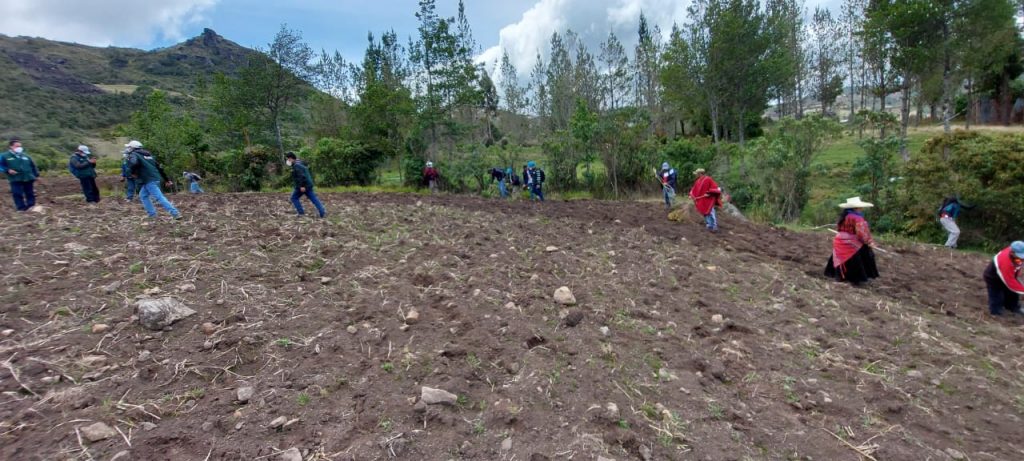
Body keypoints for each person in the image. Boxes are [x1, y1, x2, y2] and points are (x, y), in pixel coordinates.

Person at [824, 197, 880, 285]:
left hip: (840, 241)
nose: (862, 209)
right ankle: (856, 279)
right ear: (855, 208)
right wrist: (869, 242)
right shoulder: (858, 219)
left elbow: (840, 229)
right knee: (863, 256)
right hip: (852, 242)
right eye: (860, 207)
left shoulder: (844, 216)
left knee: (843, 258)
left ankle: (841, 276)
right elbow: (862, 233)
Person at [125, 140, 181, 220]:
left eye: (129, 147)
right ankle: (152, 215)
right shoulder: (149, 156)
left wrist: (132, 172)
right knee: (143, 195)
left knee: (159, 197)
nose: (128, 149)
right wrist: (167, 180)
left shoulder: (134, 154)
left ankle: (175, 213)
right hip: (153, 178)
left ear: (133, 148)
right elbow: (159, 168)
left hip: (148, 180)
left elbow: (134, 163)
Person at [983, 241, 1024, 317]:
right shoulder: (1005, 262)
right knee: (996, 295)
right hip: (993, 277)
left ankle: (1012, 307)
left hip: (1010, 274)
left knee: (1013, 293)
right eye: (1020, 256)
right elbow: (1010, 283)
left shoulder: (1018, 252)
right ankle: (996, 312)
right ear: (1012, 253)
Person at [0, 138, 39, 211]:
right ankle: (21, 208)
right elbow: (1, 165)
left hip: (28, 177)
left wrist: (36, 175)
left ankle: (31, 206)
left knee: (30, 193)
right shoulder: (4, 156)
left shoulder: (26, 156)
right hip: (15, 178)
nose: (19, 148)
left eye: (20, 146)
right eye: (17, 146)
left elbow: (33, 166)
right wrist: (7, 170)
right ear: (11, 146)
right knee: (17, 193)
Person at [286, 152, 326, 218]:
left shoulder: (296, 165)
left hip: (303, 185)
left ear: (291, 158)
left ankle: (301, 213)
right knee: (313, 197)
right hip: (308, 184)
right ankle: (322, 211)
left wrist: (302, 186)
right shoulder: (299, 162)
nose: (288, 160)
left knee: (294, 198)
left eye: (288, 159)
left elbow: (301, 176)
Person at [689, 168, 722, 232]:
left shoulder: (708, 179)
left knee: (711, 212)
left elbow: (715, 187)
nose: (696, 175)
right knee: (704, 212)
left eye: (697, 174)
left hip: (709, 199)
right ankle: (709, 225)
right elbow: (694, 189)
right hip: (702, 199)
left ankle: (714, 226)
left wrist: (709, 193)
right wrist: (691, 195)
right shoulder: (698, 181)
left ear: (700, 174)